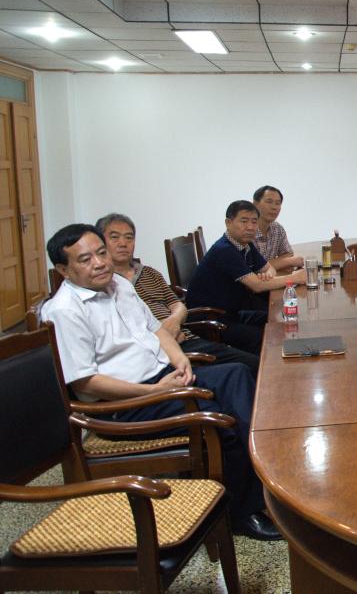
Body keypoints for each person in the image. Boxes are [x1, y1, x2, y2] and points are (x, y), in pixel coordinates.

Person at [40, 224, 280, 541]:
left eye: (101, 253)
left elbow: (156, 330)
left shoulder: (119, 285)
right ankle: (243, 512)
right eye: (85, 259)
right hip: (124, 404)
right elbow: (88, 383)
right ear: (63, 270)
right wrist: (155, 391)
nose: (99, 263)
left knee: (236, 374)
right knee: (221, 417)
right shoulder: (64, 311)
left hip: (163, 377)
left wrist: (180, 359)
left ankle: (267, 476)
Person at [96, 213, 260, 374]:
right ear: (100, 243)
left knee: (256, 362)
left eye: (129, 237)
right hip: (158, 355)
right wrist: (163, 337)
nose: (123, 243)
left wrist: (174, 322)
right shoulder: (103, 285)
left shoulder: (149, 273)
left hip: (186, 338)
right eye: (115, 237)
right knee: (245, 369)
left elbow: (178, 304)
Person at [185, 200, 305, 355]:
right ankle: (265, 369)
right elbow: (257, 286)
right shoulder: (224, 250)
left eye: (254, 222)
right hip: (211, 320)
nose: (250, 227)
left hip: (232, 313)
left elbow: (269, 268)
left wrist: (267, 275)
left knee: (280, 320)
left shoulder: (246, 245)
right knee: (266, 338)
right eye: (244, 221)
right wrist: (295, 278)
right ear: (228, 223)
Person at [252, 185, 303, 271]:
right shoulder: (246, 231)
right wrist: (289, 262)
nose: (274, 207)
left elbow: (288, 254)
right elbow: (252, 268)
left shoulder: (277, 228)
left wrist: (281, 263)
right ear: (255, 204)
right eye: (269, 201)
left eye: (278, 203)